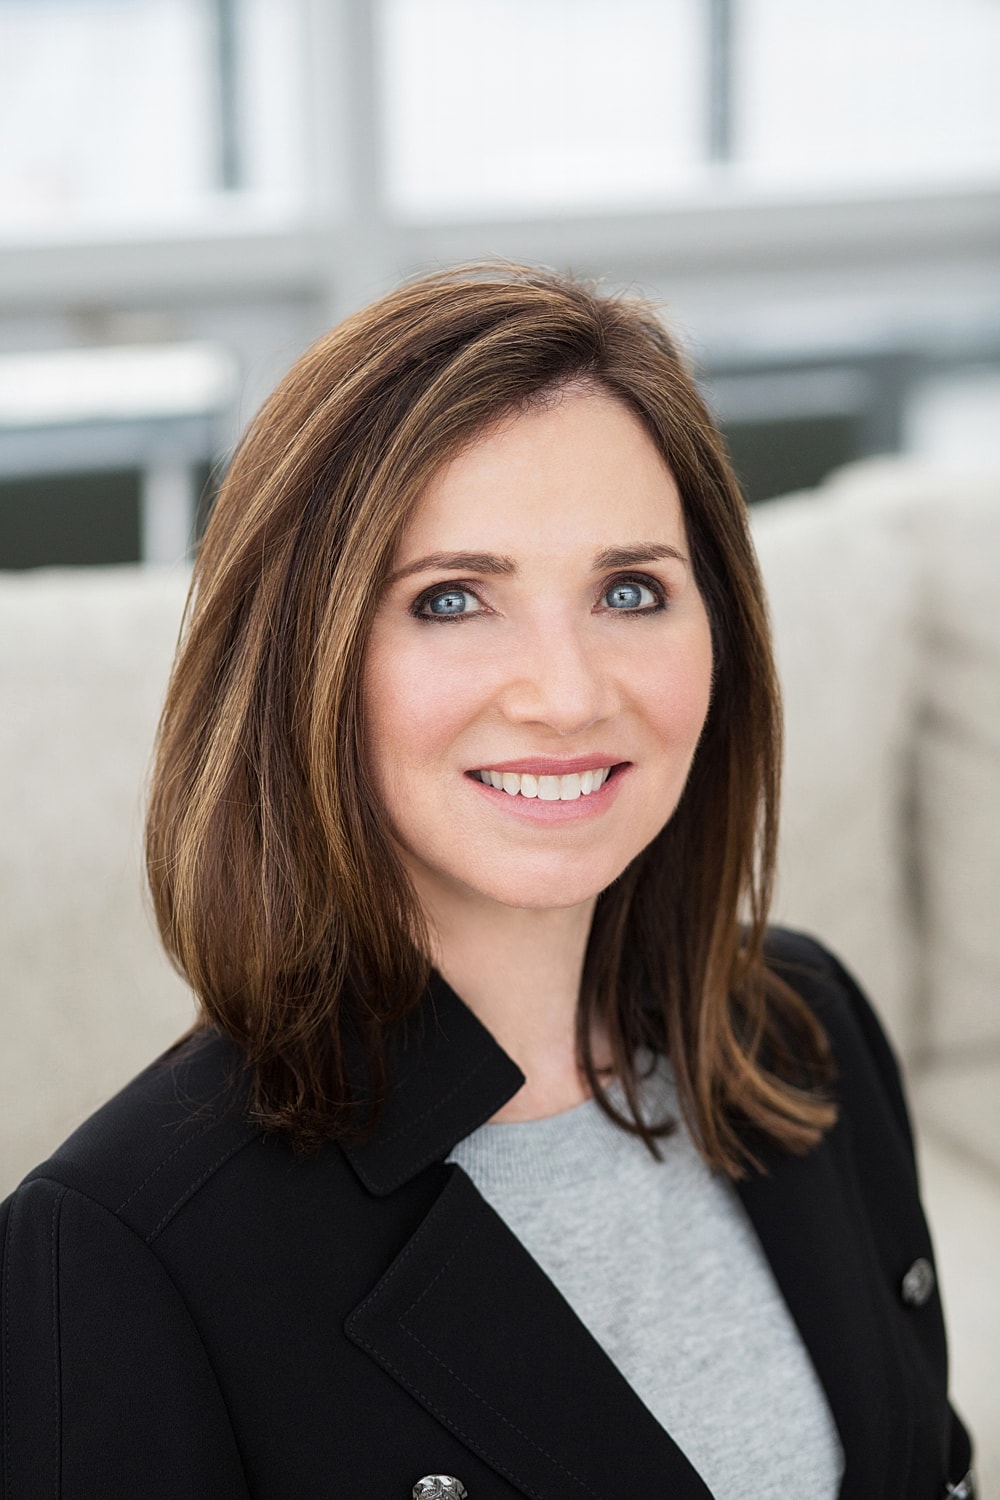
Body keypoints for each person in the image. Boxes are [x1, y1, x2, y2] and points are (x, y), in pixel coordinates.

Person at [0, 265, 973, 1500]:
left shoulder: (798, 1021)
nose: (567, 692)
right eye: (452, 600)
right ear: (305, 661)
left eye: (631, 591)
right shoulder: (115, 1248)